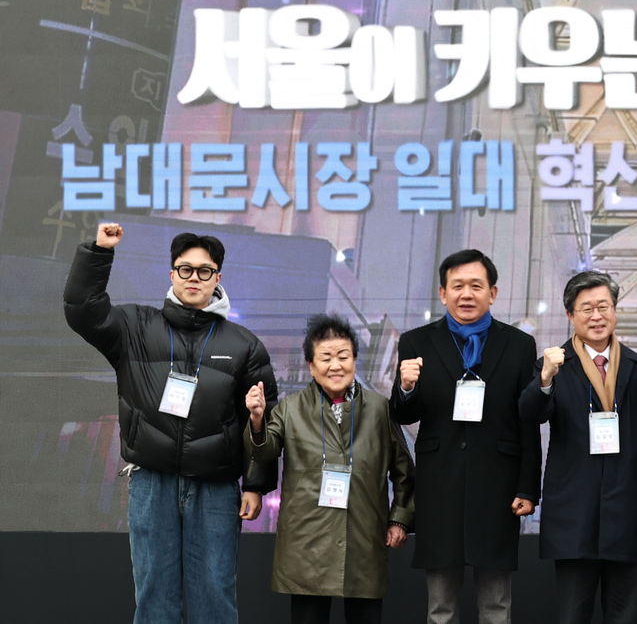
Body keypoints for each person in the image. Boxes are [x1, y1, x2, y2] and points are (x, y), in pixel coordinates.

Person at [62, 222, 277, 624]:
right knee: (155, 596)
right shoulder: (135, 327)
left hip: (215, 489)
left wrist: (257, 484)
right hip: (152, 481)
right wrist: (100, 251)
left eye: (204, 270)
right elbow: (81, 310)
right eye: (185, 269)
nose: (194, 278)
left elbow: (266, 417)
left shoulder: (245, 345)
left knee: (215, 595)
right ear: (172, 273)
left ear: (218, 277)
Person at [390, 249, 542, 624]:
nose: (466, 294)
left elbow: (528, 421)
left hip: (499, 487)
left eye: (476, 285)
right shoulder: (416, 343)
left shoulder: (519, 345)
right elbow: (405, 414)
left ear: (493, 293)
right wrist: (405, 386)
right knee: (440, 607)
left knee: (496, 605)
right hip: (439, 484)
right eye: (457, 286)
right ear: (443, 293)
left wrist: (527, 487)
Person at [518, 271, 637, 624]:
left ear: (615, 311)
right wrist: (545, 378)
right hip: (573, 508)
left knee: (624, 613)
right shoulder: (554, 365)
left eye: (604, 306)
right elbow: (529, 414)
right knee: (573, 614)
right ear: (571, 315)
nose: (597, 316)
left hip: (625, 505)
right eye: (587, 308)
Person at [245, 313, 415, 624]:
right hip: (307, 540)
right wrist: (257, 419)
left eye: (343, 356)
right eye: (325, 357)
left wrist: (400, 519)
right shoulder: (290, 408)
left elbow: (404, 470)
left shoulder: (379, 409)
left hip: (364, 536)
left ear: (355, 360)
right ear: (311, 365)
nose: (335, 365)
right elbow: (265, 449)